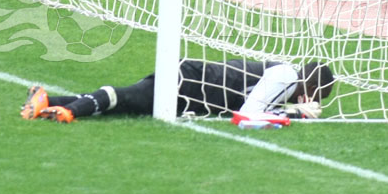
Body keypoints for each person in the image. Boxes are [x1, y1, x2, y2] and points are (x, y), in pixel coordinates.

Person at [20, 59, 335, 124]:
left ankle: (48, 101)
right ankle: (71, 111)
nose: (314, 103)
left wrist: (290, 110)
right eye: (318, 97)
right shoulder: (285, 76)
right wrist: (294, 113)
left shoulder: (286, 80)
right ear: (311, 88)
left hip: (194, 97)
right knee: (128, 97)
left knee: (130, 105)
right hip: (191, 82)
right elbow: (247, 114)